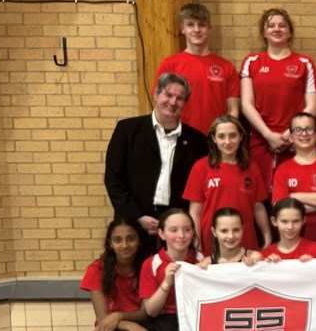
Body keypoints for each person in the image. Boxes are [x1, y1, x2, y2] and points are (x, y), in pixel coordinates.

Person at [105, 72, 209, 244]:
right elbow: (114, 179)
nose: (173, 102)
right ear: (156, 94)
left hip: (176, 229)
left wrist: (179, 223)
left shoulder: (197, 141)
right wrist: (138, 217)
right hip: (134, 225)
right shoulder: (127, 130)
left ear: (185, 103)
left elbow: (198, 191)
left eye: (180, 98)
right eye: (168, 95)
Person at [241, 8, 316, 189]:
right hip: (261, 140)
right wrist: (268, 135)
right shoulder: (251, 61)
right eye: (271, 26)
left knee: (293, 193)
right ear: (264, 32)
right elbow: (246, 104)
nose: (277, 29)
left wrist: (289, 135)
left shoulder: (304, 62)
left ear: (289, 32)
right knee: (260, 193)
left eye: (282, 25)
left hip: (295, 141)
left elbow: (313, 106)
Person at [183, 115, 271, 256]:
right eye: (222, 136)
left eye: (232, 136)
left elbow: (258, 207)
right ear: (214, 138)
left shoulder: (251, 167)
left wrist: (267, 236)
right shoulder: (201, 167)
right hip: (211, 243)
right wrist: (196, 243)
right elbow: (195, 211)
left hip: (245, 242)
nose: (227, 141)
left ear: (241, 136)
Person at [154, 3, 239, 135]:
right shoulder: (170, 65)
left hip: (215, 139)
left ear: (209, 28)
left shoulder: (226, 67)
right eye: (190, 24)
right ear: (182, 28)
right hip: (180, 137)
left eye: (202, 25)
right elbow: (160, 105)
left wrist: (226, 136)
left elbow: (233, 110)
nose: (196, 30)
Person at [271, 113, 316, 245]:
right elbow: (279, 207)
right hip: (293, 243)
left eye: (309, 129)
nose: (304, 134)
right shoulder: (283, 170)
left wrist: (293, 196)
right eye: (298, 130)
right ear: (291, 137)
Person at [197, 207, 263, 266]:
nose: (231, 236)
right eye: (224, 231)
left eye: (236, 230)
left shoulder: (255, 258)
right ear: (214, 231)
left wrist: (254, 266)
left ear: (243, 229)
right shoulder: (206, 264)